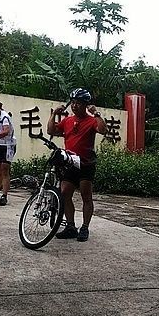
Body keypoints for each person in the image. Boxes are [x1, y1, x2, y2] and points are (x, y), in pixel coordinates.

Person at [46, 87, 107, 242]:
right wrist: (54, 114)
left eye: (78, 103)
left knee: (86, 195)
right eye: (73, 102)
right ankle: (71, 226)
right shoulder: (67, 120)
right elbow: (51, 130)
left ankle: (85, 227)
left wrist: (96, 113)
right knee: (65, 193)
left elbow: (103, 130)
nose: (74, 106)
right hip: (70, 163)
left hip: (86, 163)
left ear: (85, 105)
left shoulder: (91, 121)